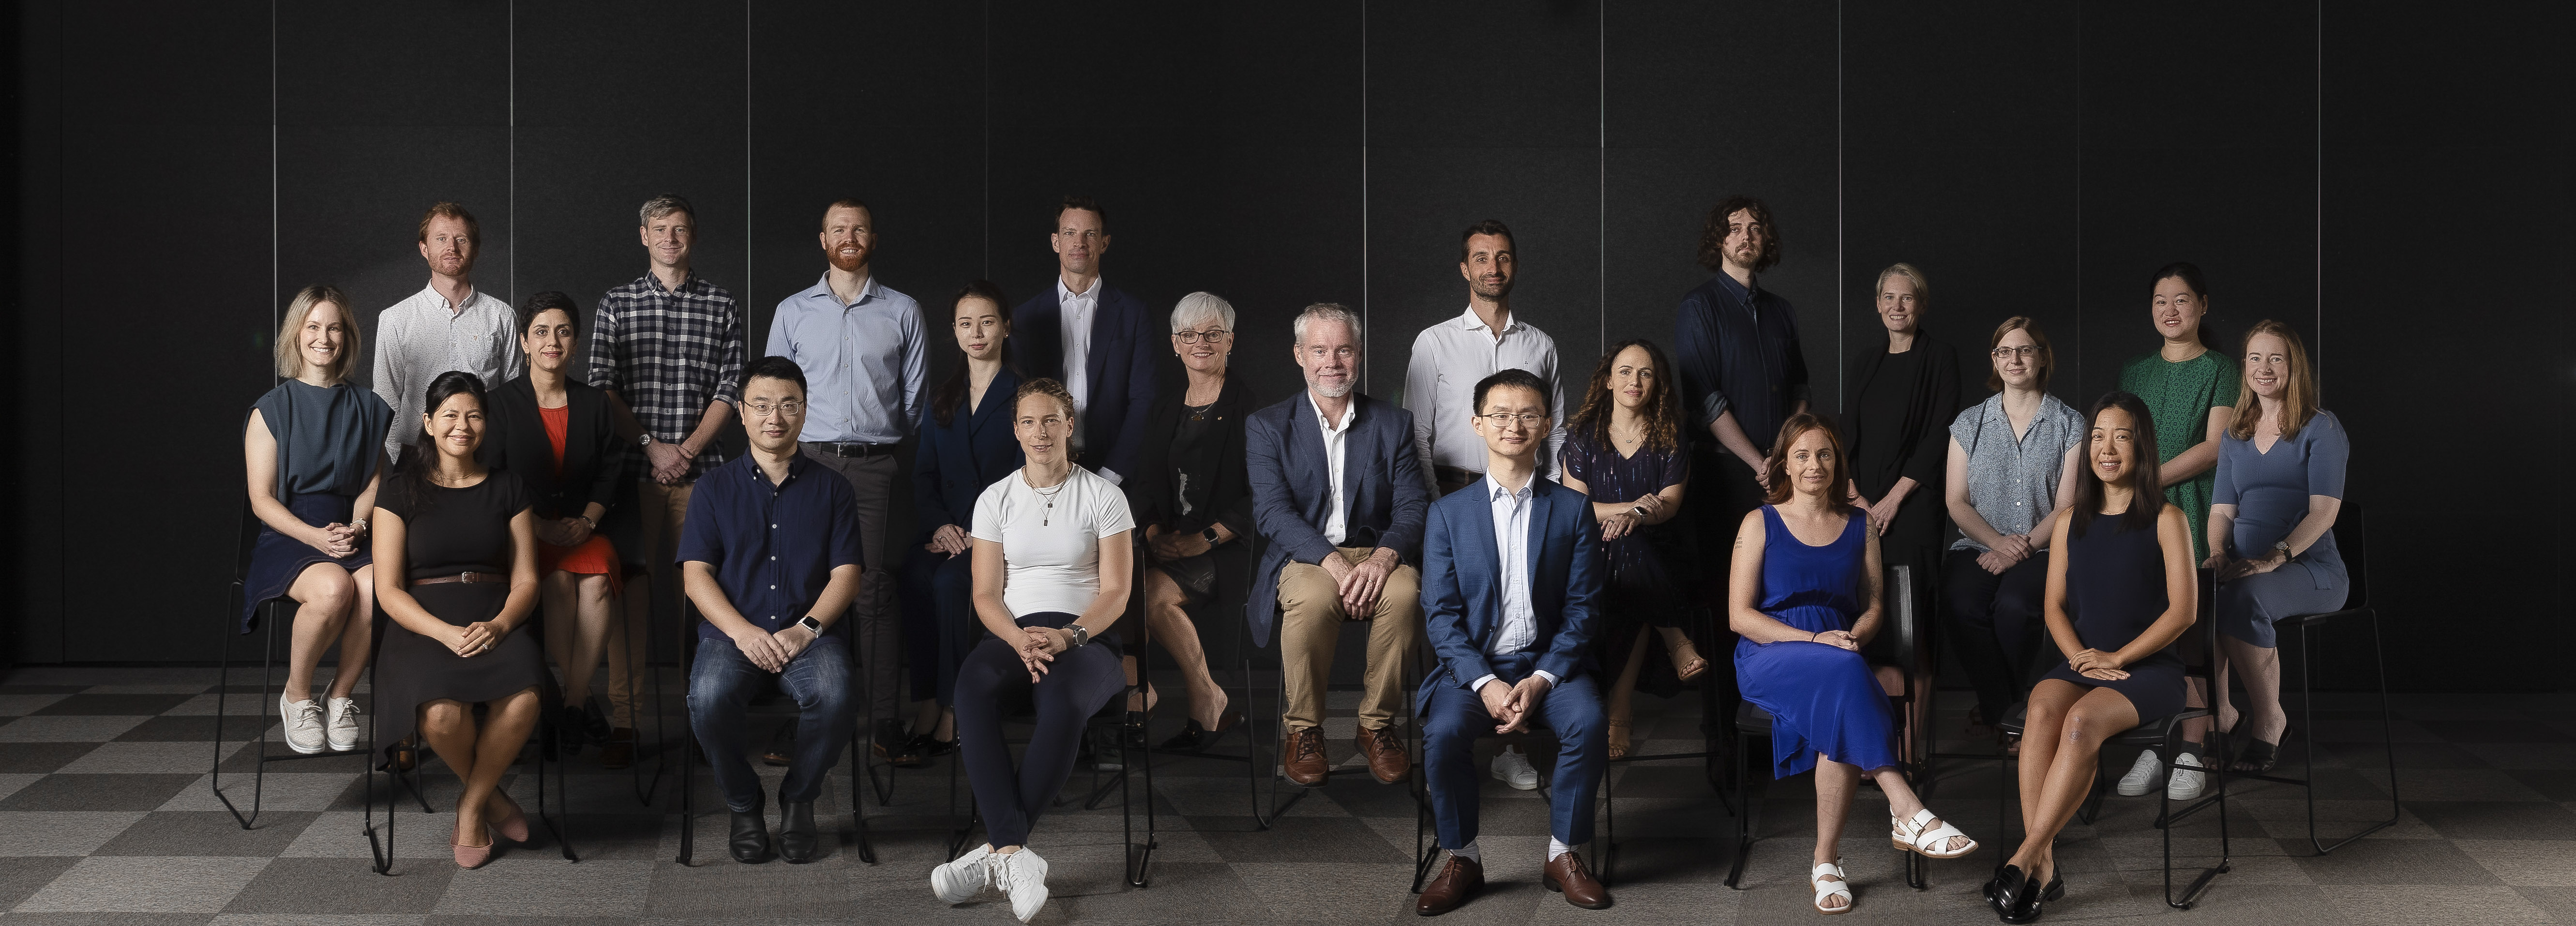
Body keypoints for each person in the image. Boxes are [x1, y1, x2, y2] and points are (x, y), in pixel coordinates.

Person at [1729, 414, 1976, 916]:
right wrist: (1814, 639)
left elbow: (1874, 603)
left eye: (1824, 454)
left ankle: (1826, 862)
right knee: (1845, 678)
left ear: (1838, 462)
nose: (1814, 465)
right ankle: (1903, 807)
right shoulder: (1759, 522)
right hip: (1770, 650)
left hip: (1839, 650)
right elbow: (1740, 616)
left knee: (1841, 693)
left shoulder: (1861, 525)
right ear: (1783, 465)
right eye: (1801, 455)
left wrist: (1854, 637)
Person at [929, 378, 1136, 924]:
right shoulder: (995, 499)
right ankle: (1013, 852)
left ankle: (998, 852)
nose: (1039, 432)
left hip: (1088, 638)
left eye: (1050, 421)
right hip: (1014, 632)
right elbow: (983, 594)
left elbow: (1116, 593)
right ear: (1016, 431)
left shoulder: (1104, 496)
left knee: (1063, 702)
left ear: (1069, 427)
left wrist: (1069, 636)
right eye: (1028, 422)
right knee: (971, 690)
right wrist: (1018, 637)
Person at [1989, 392, 2196, 923]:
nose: (2107, 449)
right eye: (2098, 437)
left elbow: (2183, 613)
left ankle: (2024, 858)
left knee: (2080, 722)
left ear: (2141, 447)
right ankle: (2044, 865)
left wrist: (2118, 657)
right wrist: (2083, 658)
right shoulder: (2068, 521)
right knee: (2040, 709)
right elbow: (2053, 607)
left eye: (2121, 437)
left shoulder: (2167, 518)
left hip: (2149, 669)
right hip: (2084, 661)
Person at [1413, 369, 1613, 916]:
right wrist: (1485, 683)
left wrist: (1542, 678)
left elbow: (1583, 610)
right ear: (1477, 424)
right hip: (1474, 668)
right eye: (1499, 415)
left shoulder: (1572, 509)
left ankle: (1563, 854)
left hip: (1552, 665)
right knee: (1443, 734)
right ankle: (1462, 858)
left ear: (1546, 425)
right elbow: (1441, 617)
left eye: (1528, 415)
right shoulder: (1447, 514)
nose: (1513, 426)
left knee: (1589, 722)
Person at [677, 357, 864, 866]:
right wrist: (742, 633)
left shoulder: (834, 489)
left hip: (811, 635)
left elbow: (847, 575)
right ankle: (743, 803)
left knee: (837, 694)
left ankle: (799, 798)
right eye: (761, 405)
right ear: (741, 412)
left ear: (804, 410)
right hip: (731, 634)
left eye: (787, 405)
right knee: (707, 699)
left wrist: (806, 630)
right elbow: (696, 577)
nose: (774, 417)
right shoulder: (713, 488)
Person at [767, 197, 931, 767]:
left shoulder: (903, 310)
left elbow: (915, 399)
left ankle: (884, 722)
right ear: (823, 240)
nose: (849, 237)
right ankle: (808, 716)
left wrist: (878, 444)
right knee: (801, 588)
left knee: (874, 590)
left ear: (872, 239)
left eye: (859, 229)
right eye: (839, 229)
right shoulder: (792, 312)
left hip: (873, 466)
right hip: (805, 464)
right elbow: (772, 394)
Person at [588, 193, 748, 768]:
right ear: (644, 236)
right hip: (633, 475)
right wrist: (652, 447)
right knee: (629, 597)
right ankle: (627, 721)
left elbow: (730, 389)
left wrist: (686, 451)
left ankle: (704, 716)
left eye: (679, 229)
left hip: (703, 478)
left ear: (693, 236)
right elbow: (603, 387)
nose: (670, 239)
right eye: (660, 229)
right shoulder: (617, 303)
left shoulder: (721, 304)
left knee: (703, 600)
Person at [1245, 303, 1431, 788]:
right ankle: (1304, 730)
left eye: (1343, 350)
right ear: (1299, 355)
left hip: (1377, 551)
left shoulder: (1392, 423)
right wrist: (1330, 561)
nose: (1332, 362)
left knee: (1406, 593)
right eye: (1319, 350)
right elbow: (1272, 512)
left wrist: (1385, 558)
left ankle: (1376, 726)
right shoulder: (1268, 425)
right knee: (1312, 599)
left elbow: (1414, 505)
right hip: (1305, 555)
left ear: (1359, 355)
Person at [368, 372, 546, 869]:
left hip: (493, 616)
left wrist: (501, 626)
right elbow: (388, 590)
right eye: (450, 415)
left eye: (473, 416)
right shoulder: (398, 490)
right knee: (441, 715)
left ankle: (471, 807)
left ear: (486, 424)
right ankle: (494, 801)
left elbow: (527, 580)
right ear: (428, 423)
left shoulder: (509, 486)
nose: (461, 426)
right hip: (422, 623)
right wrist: (443, 633)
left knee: (526, 698)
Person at [1672, 195, 1811, 747]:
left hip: (1780, 479)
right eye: (1734, 228)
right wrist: (1760, 462)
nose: (1746, 235)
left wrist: (1785, 458)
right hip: (1724, 480)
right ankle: (1724, 748)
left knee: (1781, 599)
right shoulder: (1698, 307)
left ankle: (1778, 738)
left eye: (1755, 228)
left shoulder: (1781, 311)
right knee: (1726, 607)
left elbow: (1800, 389)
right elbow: (1704, 400)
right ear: (1718, 240)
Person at [243, 285, 392, 754]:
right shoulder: (271, 409)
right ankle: (297, 695)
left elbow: (374, 483)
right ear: (296, 334)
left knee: (380, 588)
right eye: (313, 327)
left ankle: (341, 695)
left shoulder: (369, 407)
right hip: (290, 532)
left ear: (347, 337)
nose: (323, 338)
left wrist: (359, 527)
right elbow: (261, 500)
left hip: (349, 529)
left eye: (334, 328)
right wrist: (314, 537)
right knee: (333, 589)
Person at [482, 292, 626, 753]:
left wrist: (588, 521)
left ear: (575, 344)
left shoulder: (595, 403)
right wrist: (539, 527)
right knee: (560, 583)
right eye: (541, 332)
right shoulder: (500, 404)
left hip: (585, 527)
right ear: (525, 342)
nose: (553, 342)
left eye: (563, 332)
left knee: (597, 581)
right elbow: (494, 478)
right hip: (526, 531)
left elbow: (611, 470)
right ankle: (580, 701)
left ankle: (572, 701)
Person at [2201, 321, 2347, 775]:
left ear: (2293, 366)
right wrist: (2218, 552)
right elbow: (2221, 512)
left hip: (2312, 570)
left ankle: (2270, 721)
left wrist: (2273, 557)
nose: (2263, 368)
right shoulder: (2235, 433)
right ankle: (2221, 714)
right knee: (2200, 595)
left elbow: (2324, 513)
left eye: (2275, 358)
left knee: (2241, 598)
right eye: (2255, 358)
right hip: (2243, 566)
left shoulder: (2320, 427)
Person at [1942, 318, 2084, 757]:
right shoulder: (1969, 423)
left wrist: (2019, 548)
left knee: (2016, 607)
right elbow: (1956, 501)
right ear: (1994, 360)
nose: (2015, 360)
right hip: (1978, 545)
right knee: (1961, 604)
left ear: (2042, 357)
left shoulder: (2069, 423)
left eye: (2025, 350)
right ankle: (2008, 713)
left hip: (2044, 548)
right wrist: (1998, 543)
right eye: (2004, 352)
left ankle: (1999, 714)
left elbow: (2066, 505)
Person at [1558, 339, 1706, 761]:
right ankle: (1674, 639)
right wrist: (1632, 508)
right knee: (1627, 549)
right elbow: (1576, 508)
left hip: (1659, 548)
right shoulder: (1583, 436)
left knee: (1631, 546)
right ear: (1608, 380)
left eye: (1645, 373)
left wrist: (1636, 518)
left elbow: (1670, 504)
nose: (1634, 381)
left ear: (1656, 383)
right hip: (1591, 549)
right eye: (1624, 371)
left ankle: (1618, 712)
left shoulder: (1670, 434)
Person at [899, 281, 1025, 757]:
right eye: (966, 323)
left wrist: (979, 536)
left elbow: (1027, 481)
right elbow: (924, 474)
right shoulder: (942, 397)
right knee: (914, 575)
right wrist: (940, 526)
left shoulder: (1022, 395)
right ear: (954, 331)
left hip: (997, 536)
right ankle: (928, 700)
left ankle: (955, 707)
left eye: (987, 322)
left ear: (1005, 328)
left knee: (953, 584)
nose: (977, 333)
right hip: (946, 531)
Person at [1126, 292, 1254, 748]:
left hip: (1229, 546)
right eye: (1189, 334)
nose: (1201, 343)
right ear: (1175, 344)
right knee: (1112, 585)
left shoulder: (1250, 408)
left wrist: (1206, 539)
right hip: (1169, 541)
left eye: (1213, 334)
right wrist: (1153, 533)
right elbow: (1144, 482)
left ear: (1229, 342)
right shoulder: (1163, 408)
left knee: (1148, 596)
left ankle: (1201, 698)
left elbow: (1265, 493)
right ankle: (1135, 692)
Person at [1403, 218, 1568, 497]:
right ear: (1465, 270)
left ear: (1515, 266)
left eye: (1503, 258)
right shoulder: (1434, 343)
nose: (1494, 269)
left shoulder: (1542, 345)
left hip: (1530, 491)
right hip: (1453, 490)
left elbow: (1555, 431)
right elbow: (1416, 434)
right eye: (1482, 259)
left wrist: (1552, 493)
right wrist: (1433, 498)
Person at [1009, 195, 1158, 486]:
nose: (1080, 243)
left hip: (1116, 471)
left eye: (1090, 234)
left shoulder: (1134, 313)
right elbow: (1019, 400)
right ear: (1056, 242)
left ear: (1104, 243)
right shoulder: (1026, 317)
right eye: (1070, 233)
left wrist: (1112, 475)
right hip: (1044, 467)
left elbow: (1144, 399)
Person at [373, 202, 524, 462]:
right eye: (441, 239)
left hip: (484, 457)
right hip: (416, 457)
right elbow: (385, 399)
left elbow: (513, 396)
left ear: (475, 249)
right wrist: (401, 459)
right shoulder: (396, 319)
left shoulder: (502, 316)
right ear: (424, 248)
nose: (452, 247)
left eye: (461, 239)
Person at [2117, 262, 2237, 563]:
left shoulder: (2223, 370)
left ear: (2203, 304)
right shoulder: (2134, 371)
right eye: (2161, 302)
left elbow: (2215, 447)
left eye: (2181, 300)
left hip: (2194, 500)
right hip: (2134, 501)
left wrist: (2148, 481)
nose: (2170, 310)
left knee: (2187, 584)